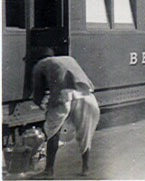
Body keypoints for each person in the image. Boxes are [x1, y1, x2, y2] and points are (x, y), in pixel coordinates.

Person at [29, 47, 100, 179]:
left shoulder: (40, 65)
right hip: (87, 96)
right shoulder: (68, 59)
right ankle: (86, 168)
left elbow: (38, 92)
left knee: (53, 132)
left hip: (64, 96)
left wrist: (39, 103)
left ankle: (48, 171)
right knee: (85, 133)